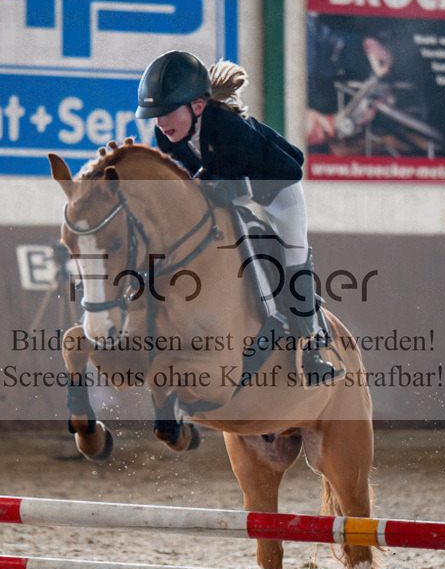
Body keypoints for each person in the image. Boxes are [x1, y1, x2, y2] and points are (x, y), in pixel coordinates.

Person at [134, 50, 340, 385]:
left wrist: (235, 186)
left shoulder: (229, 128)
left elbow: (290, 169)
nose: (159, 122)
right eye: (155, 114)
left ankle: (312, 346)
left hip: (277, 187)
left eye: (167, 112)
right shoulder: (165, 136)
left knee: (294, 252)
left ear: (197, 107)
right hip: (228, 186)